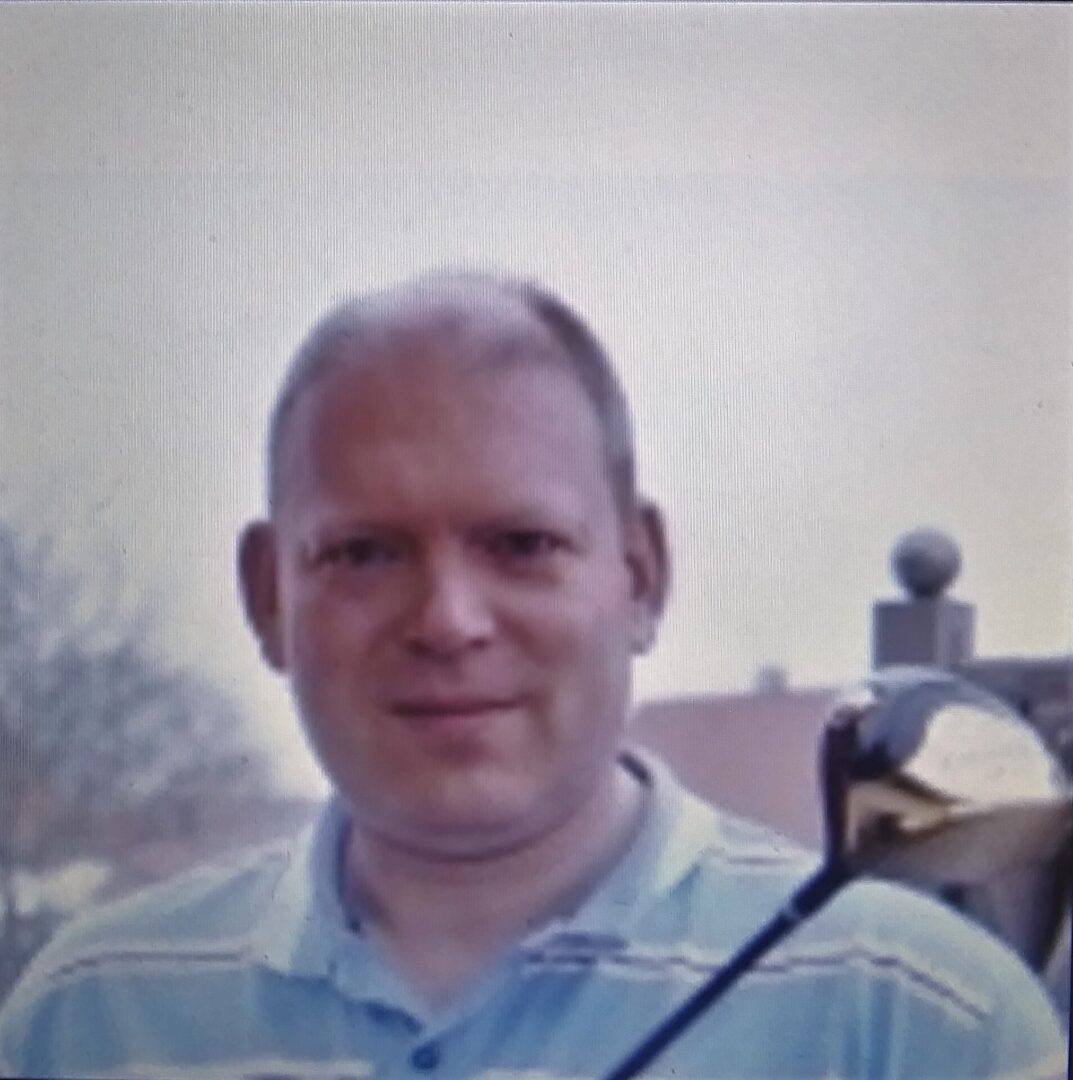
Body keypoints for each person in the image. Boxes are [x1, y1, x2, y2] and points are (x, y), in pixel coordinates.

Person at [0, 270, 1065, 1079]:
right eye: (364, 554)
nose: (447, 622)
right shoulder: (87, 1019)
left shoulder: (920, 1022)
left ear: (640, 574)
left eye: (521, 545)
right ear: (267, 596)